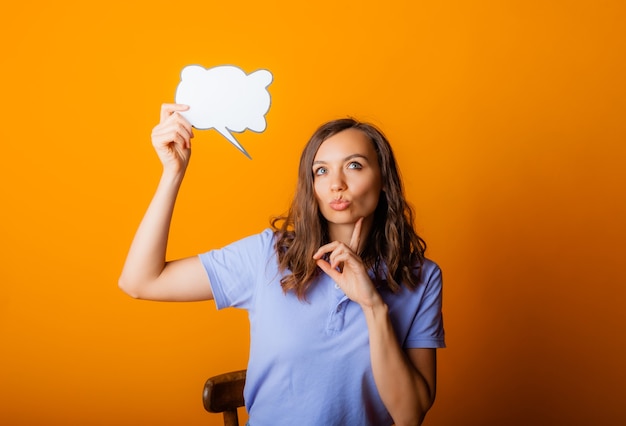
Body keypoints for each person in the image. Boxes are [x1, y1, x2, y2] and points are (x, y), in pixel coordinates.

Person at [119, 104, 445, 426]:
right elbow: (141, 281)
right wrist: (172, 172)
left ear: (384, 179)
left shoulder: (422, 277)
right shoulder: (267, 255)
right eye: (322, 170)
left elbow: (409, 414)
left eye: (355, 166)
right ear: (311, 185)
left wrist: (373, 305)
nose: (336, 184)